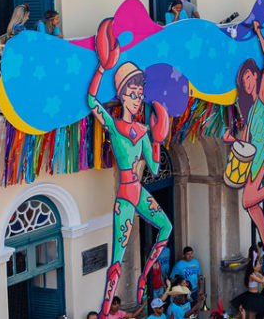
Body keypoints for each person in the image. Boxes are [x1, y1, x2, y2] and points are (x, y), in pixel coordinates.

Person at [89, 19, 172, 313]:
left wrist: (159, 138)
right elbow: (91, 100)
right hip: (124, 195)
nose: (137, 100)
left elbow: (153, 165)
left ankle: (144, 275)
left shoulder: (143, 132)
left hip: (138, 190)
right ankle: (105, 309)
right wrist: (102, 67)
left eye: (140, 94)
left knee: (166, 226)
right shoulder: (113, 125)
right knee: (117, 256)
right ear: (122, 95)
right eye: (132, 94)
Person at [222, 20, 264, 249]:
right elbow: (244, 136)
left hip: (262, 149)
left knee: (248, 199)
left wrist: (259, 34)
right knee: (251, 205)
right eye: (243, 81)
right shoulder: (246, 107)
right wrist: (232, 140)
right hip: (252, 150)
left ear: (253, 74)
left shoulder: (260, 98)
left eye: (248, 77)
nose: (246, 83)